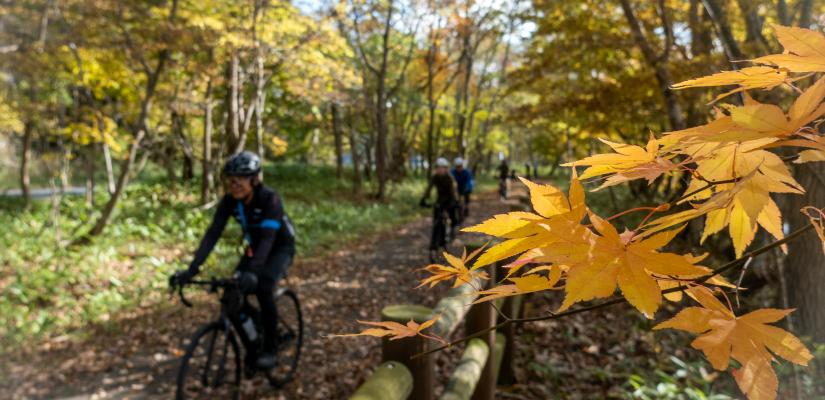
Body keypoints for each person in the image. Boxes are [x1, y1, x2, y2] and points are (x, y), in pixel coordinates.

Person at [170, 151, 296, 369]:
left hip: (279, 247)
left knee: (263, 286)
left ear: (254, 180)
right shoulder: (230, 201)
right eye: (230, 180)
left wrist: (253, 272)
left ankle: (270, 347)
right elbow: (212, 234)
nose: (234, 184)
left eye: (240, 179)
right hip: (255, 248)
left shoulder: (270, 199)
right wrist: (192, 270)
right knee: (231, 296)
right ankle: (255, 338)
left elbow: (268, 239)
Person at [420, 157, 459, 261]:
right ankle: (435, 246)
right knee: (436, 224)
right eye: (437, 168)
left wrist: (455, 202)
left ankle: (452, 231)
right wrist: (423, 199)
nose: (439, 170)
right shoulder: (435, 177)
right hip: (439, 202)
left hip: (450, 201)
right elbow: (429, 188)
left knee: (453, 217)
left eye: (441, 168)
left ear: (446, 169)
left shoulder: (450, 178)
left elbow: (454, 192)